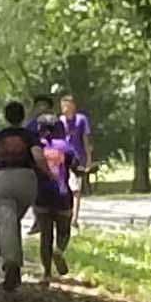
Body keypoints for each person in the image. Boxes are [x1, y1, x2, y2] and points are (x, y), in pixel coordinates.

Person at [0, 101, 46, 291]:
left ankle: (12, 263)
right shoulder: (29, 136)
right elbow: (39, 157)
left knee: (6, 220)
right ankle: (14, 263)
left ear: (6, 117)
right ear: (22, 116)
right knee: (13, 221)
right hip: (26, 179)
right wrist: (49, 174)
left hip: (2, 179)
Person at [34, 117, 77, 287]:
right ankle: (59, 251)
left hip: (42, 195)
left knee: (45, 236)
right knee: (64, 230)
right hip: (62, 195)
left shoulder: (36, 147)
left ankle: (46, 274)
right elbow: (76, 167)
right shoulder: (66, 146)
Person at [59, 93, 95, 226]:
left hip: (77, 158)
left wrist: (88, 160)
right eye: (63, 106)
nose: (65, 109)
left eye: (67, 106)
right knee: (63, 188)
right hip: (62, 159)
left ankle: (74, 218)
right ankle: (65, 215)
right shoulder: (60, 121)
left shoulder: (81, 120)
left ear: (73, 106)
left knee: (76, 189)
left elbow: (85, 141)